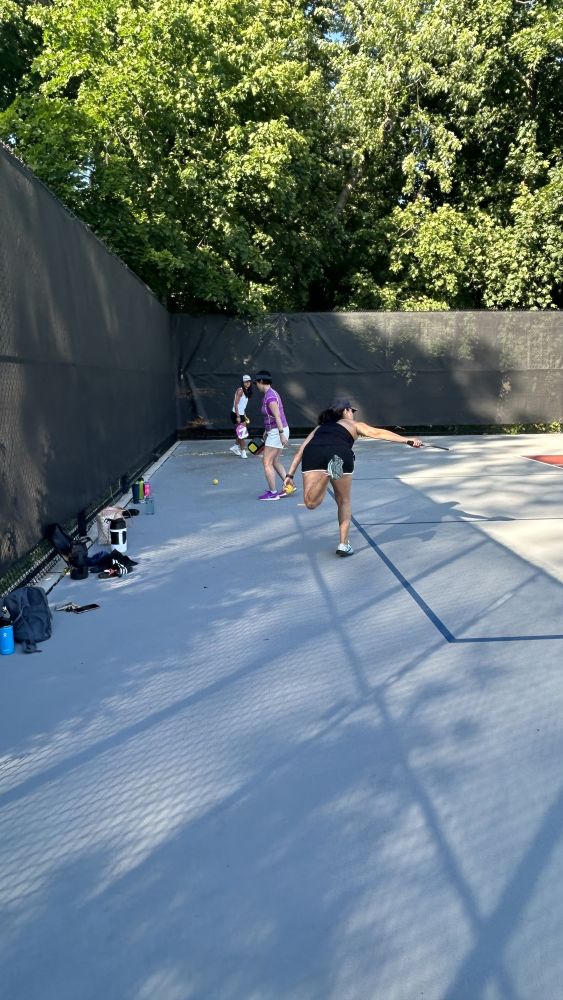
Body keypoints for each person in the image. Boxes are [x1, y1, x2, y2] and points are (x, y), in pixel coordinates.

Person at [283, 399, 423, 556]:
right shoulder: (354, 425)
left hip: (313, 453)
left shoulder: (320, 427)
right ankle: (343, 544)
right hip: (339, 452)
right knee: (343, 501)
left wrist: (289, 475)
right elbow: (377, 433)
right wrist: (407, 440)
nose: (353, 414)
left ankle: (327, 474)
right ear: (345, 411)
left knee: (310, 503)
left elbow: (300, 451)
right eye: (351, 411)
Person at [252, 370, 292, 500]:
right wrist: (266, 430)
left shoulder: (270, 397)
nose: (256, 385)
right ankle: (289, 485)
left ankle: (273, 493)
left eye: (256, 383)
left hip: (277, 431)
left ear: (261, 381)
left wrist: (281, 434)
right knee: (274, 461)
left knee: (266, 462)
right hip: (275, 430)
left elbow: (277, 416)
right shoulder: (270, 393)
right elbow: (270, 417)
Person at [230, 374, 252, 459]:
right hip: (236, 414)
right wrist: (238, 416)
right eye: (246, 381)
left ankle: (235, 447)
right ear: (243, 382)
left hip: (241, 414)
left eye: (249, 381)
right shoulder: (240, 390)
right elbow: (236, 404)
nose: (248, 383)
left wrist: (244, 415)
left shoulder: (246, 390)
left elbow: (242, 406)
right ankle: (243, 452)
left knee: (241, 433)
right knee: (242, 434)